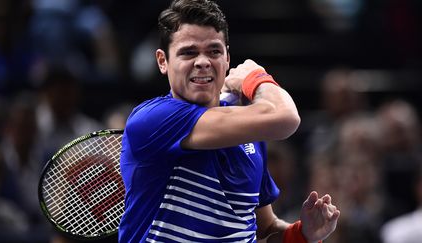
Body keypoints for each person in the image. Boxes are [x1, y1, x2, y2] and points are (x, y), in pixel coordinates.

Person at [118, 0, 340, 242]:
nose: (202, 61)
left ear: (227, 59)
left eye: (214, 51)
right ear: (163, 61)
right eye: (188, 52)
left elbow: (264, 227)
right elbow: (286, 117)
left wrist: (302, 233)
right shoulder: (153, 120)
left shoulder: (247, 132)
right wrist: (256, 77)